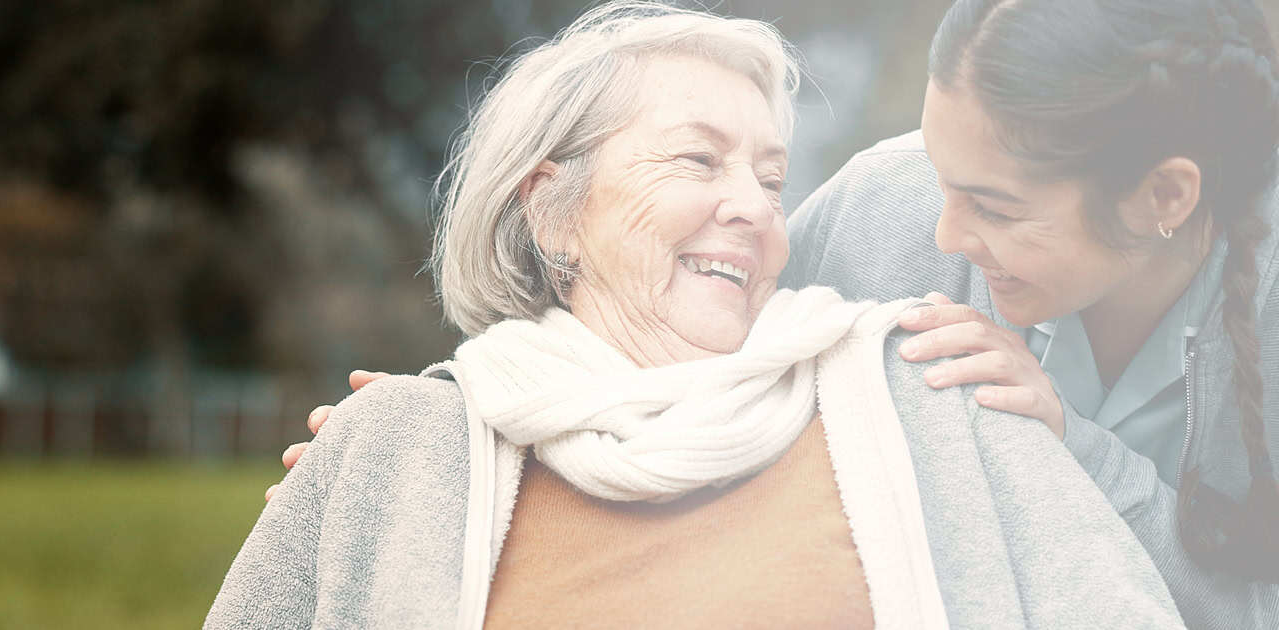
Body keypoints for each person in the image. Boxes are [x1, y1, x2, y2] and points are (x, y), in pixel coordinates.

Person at [284, 0, 1279, 627]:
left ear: (1166, 200)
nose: (944, 228)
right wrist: (445, 424)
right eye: (943, 175)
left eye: (998, 206)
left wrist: (1075, 451)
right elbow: (669, 312)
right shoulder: (887, 211)